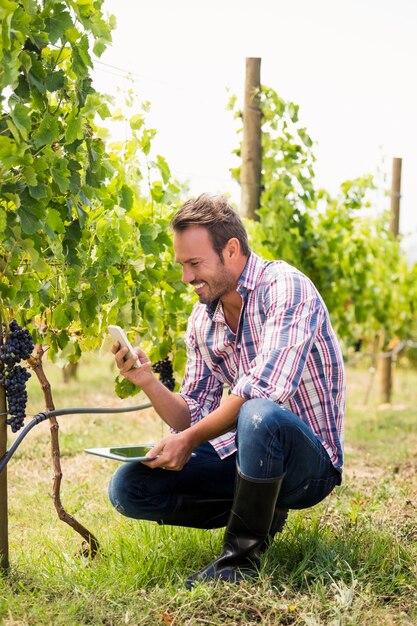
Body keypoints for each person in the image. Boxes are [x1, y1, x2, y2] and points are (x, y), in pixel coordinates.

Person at [109, 193, 345, 589]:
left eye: (194, 263)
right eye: (182, 265)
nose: (186, 277)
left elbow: (265, 390)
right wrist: (147, 381)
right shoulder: (203, 319)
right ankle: (261, 513)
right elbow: (192, 411)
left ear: (231, 250)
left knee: (259, 412)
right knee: (129, 487)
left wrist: (188, 440)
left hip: (308, 467)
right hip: (246, 458)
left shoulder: (285, 288)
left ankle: (238, 563)